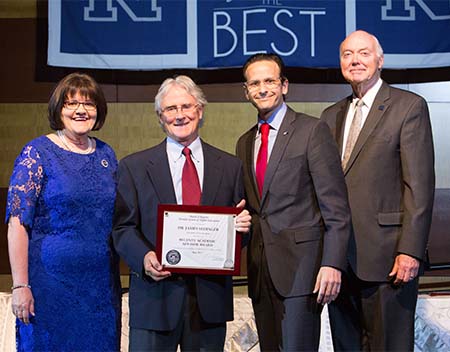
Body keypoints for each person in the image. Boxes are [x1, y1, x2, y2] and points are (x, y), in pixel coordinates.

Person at [112, 75, 251, 351]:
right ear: (160, 117)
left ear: (199, 111)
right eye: (170, 109)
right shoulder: (134, 167)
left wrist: (243, 230)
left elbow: (238, 236)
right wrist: (144, 257)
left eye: (186, 107)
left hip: (208, 302)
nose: (180, 115)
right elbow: (122, 228)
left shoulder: (230, 166)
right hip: (154, 299)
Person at [320, 30, 435, 351]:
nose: (355, 60)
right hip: (340, 261)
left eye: (364, 53)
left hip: (389, 258)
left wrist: (410, 250)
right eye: (347, 54)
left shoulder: (408, 106)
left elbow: (419, 185)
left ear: (380, 61)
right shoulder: (330, 116)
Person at [235, 53, 352, 351]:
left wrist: (331, 263)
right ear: (246, 91)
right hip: (261, 272)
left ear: (284, 85)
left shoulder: (312, 130)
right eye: (255, 83)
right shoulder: (245, 142)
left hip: (303, 270)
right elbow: (252, 209)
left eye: (270, 81)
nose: (262, 89)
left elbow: (336, 207)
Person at [6, 73, 121, 351]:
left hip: (100, 289)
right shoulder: (36, 153)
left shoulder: (107, 154)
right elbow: (17, 223)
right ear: (59, 109)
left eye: (89, 104)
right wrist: (21, 286)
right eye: (71, 103)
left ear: (99, 111)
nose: (81, 110)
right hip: (49, 287)